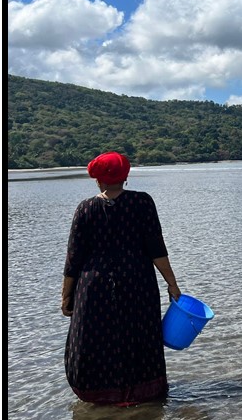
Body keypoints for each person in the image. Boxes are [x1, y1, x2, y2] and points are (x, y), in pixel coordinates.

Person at [61, 151, 182, 406]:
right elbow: (156, 249)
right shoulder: (142, 203)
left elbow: (74, 258)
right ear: (125, 177)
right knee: (139, 335)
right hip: (137, 281)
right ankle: (142, 393)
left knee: (99, 338)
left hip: (93, 286)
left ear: (98, 180)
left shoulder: (85, 208)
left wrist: (66, 296)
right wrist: (172, 283)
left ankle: (101, 394)